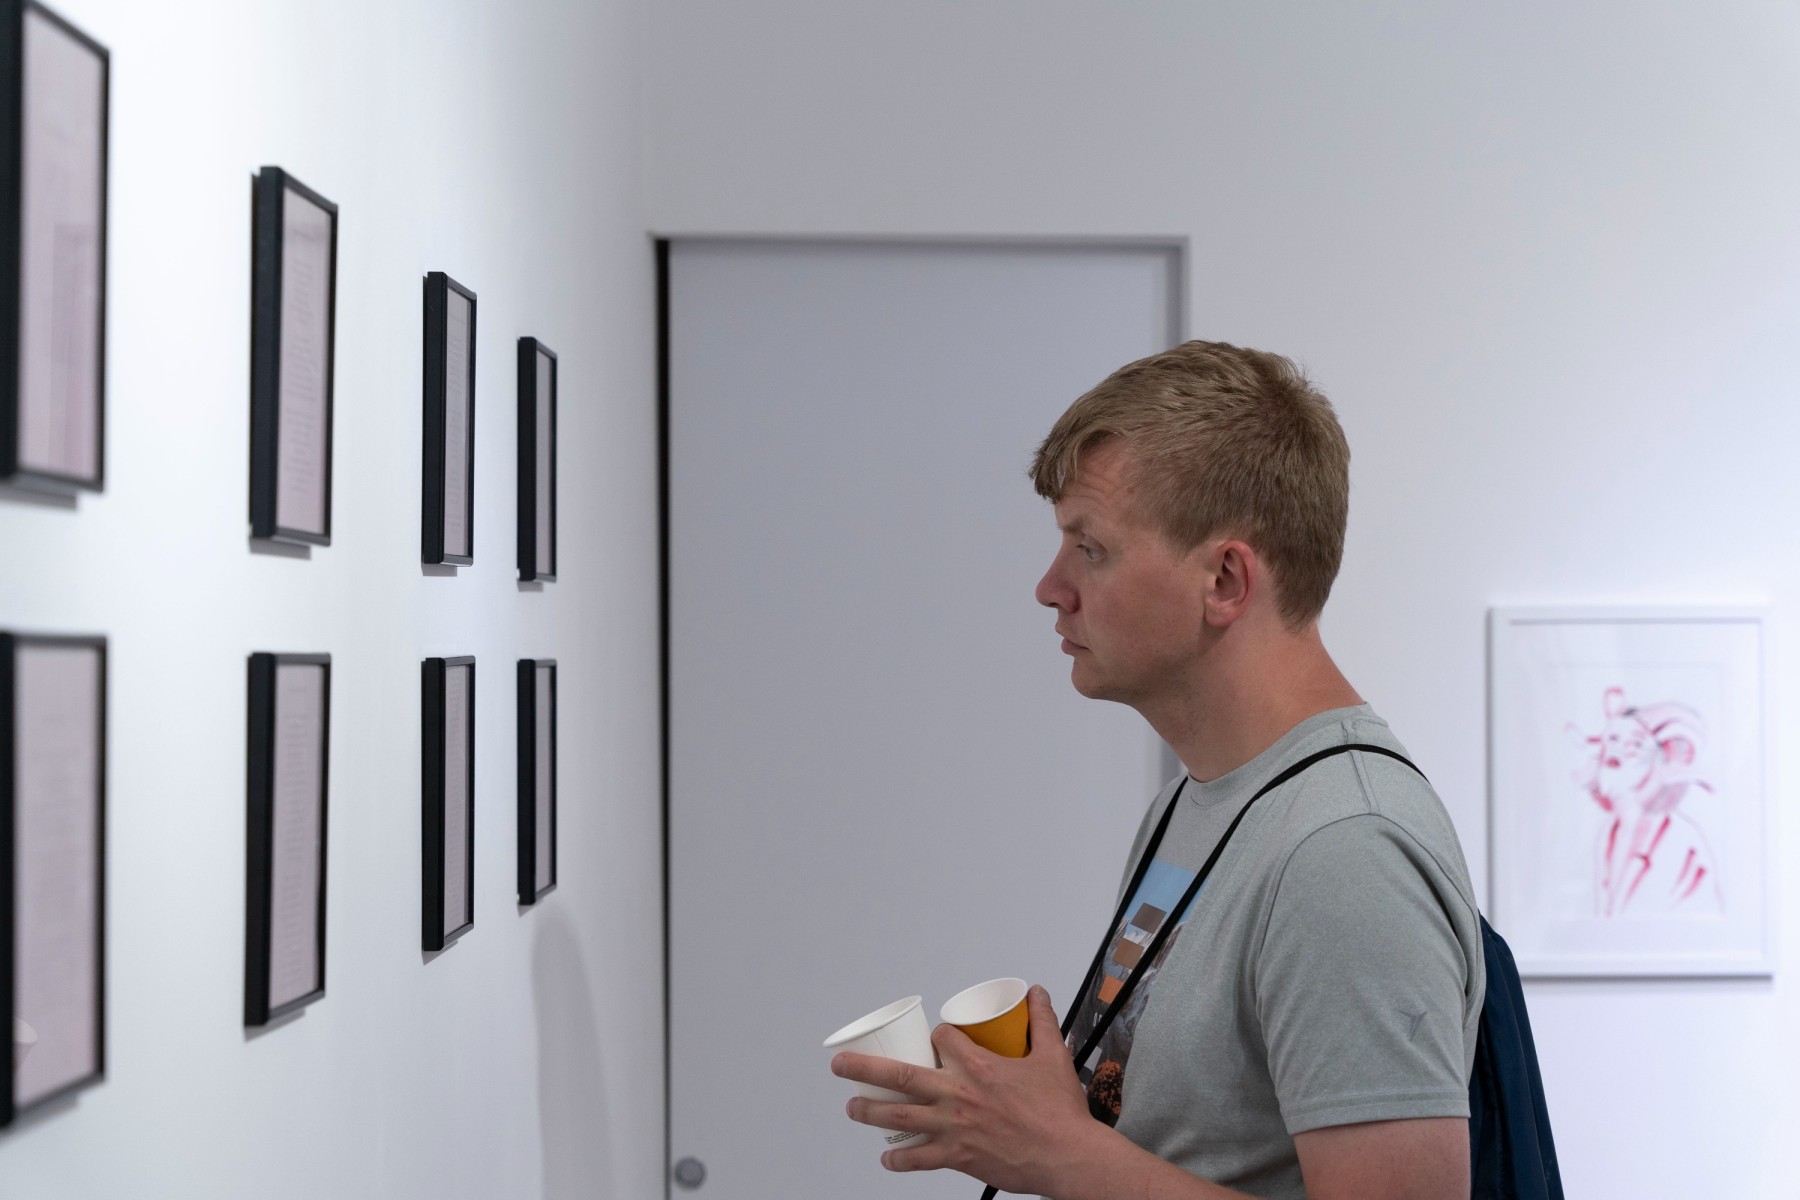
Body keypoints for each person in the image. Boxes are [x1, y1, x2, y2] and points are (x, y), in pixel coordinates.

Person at [832, 341, 1486, 1199]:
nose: (1050, 587)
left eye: (1090, 548)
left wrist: (1059, 1154)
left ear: (1224, 579)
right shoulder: (1194, 803)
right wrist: (1031, 1124)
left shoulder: (1344, 852)